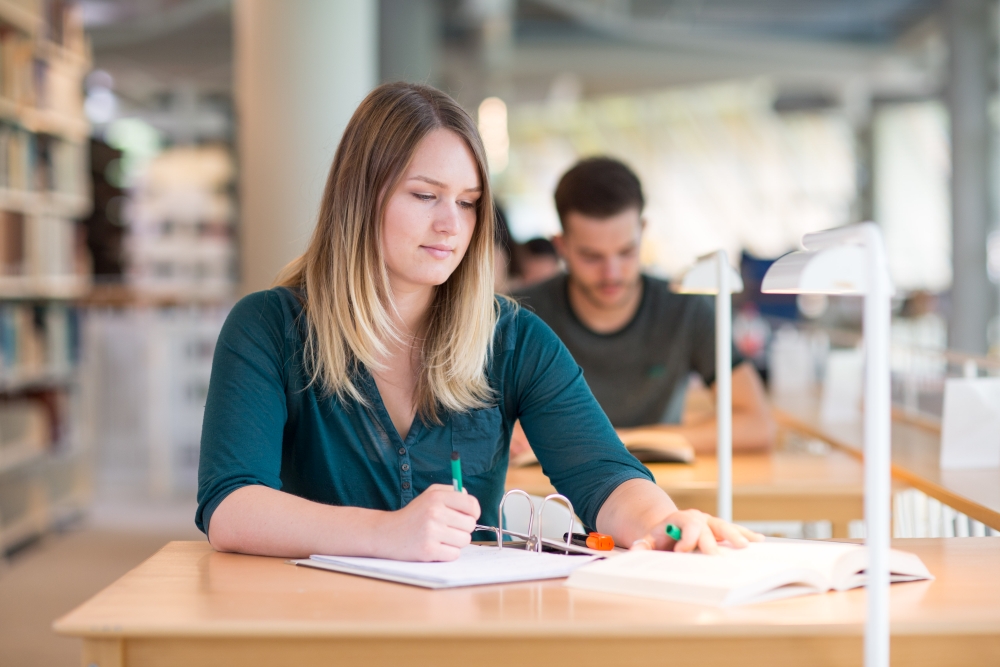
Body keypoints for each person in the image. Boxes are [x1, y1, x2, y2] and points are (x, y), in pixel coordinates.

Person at [196, 83, 761, 562]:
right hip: (311, 625)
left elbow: (603, 473)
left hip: (463, 625)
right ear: (359, 197)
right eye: (425, 196)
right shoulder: (267, 328)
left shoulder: (514, 339)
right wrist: (386, 534)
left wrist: (665, 525)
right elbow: (231, 506)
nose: (450, 225)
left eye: (468, 203)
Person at [514, 157, 775, 455]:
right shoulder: (520, 315)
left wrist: (615, 441)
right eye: (592, 256)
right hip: (547, 494)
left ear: (643, 231)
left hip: (658, 489)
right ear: (561, 247)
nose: (611, 273)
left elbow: (757, 425)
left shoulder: (684, 307)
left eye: (626, 251)